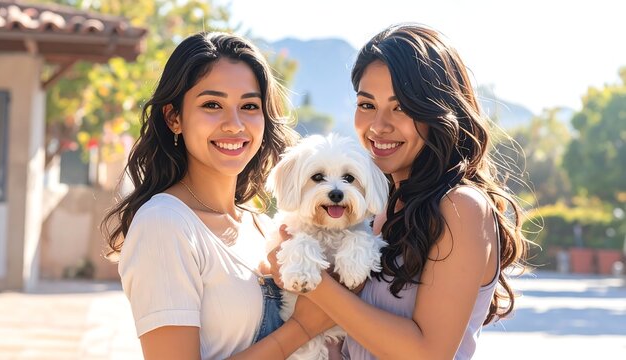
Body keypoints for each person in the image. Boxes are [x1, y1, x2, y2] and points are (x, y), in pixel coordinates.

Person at [270, 23, 531, 359]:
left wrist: (313, 283)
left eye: (401, 107)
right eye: (366, 105)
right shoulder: (378, 208)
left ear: (439, 112)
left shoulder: (461, 207)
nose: (379, 125)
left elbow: (428, 353)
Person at [101, 32, 335, 360]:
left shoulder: (264, 227)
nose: (234, 124)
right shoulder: (164, 224)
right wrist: (302, 328)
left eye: (249, 106)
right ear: (174, 117)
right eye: (213, 104)